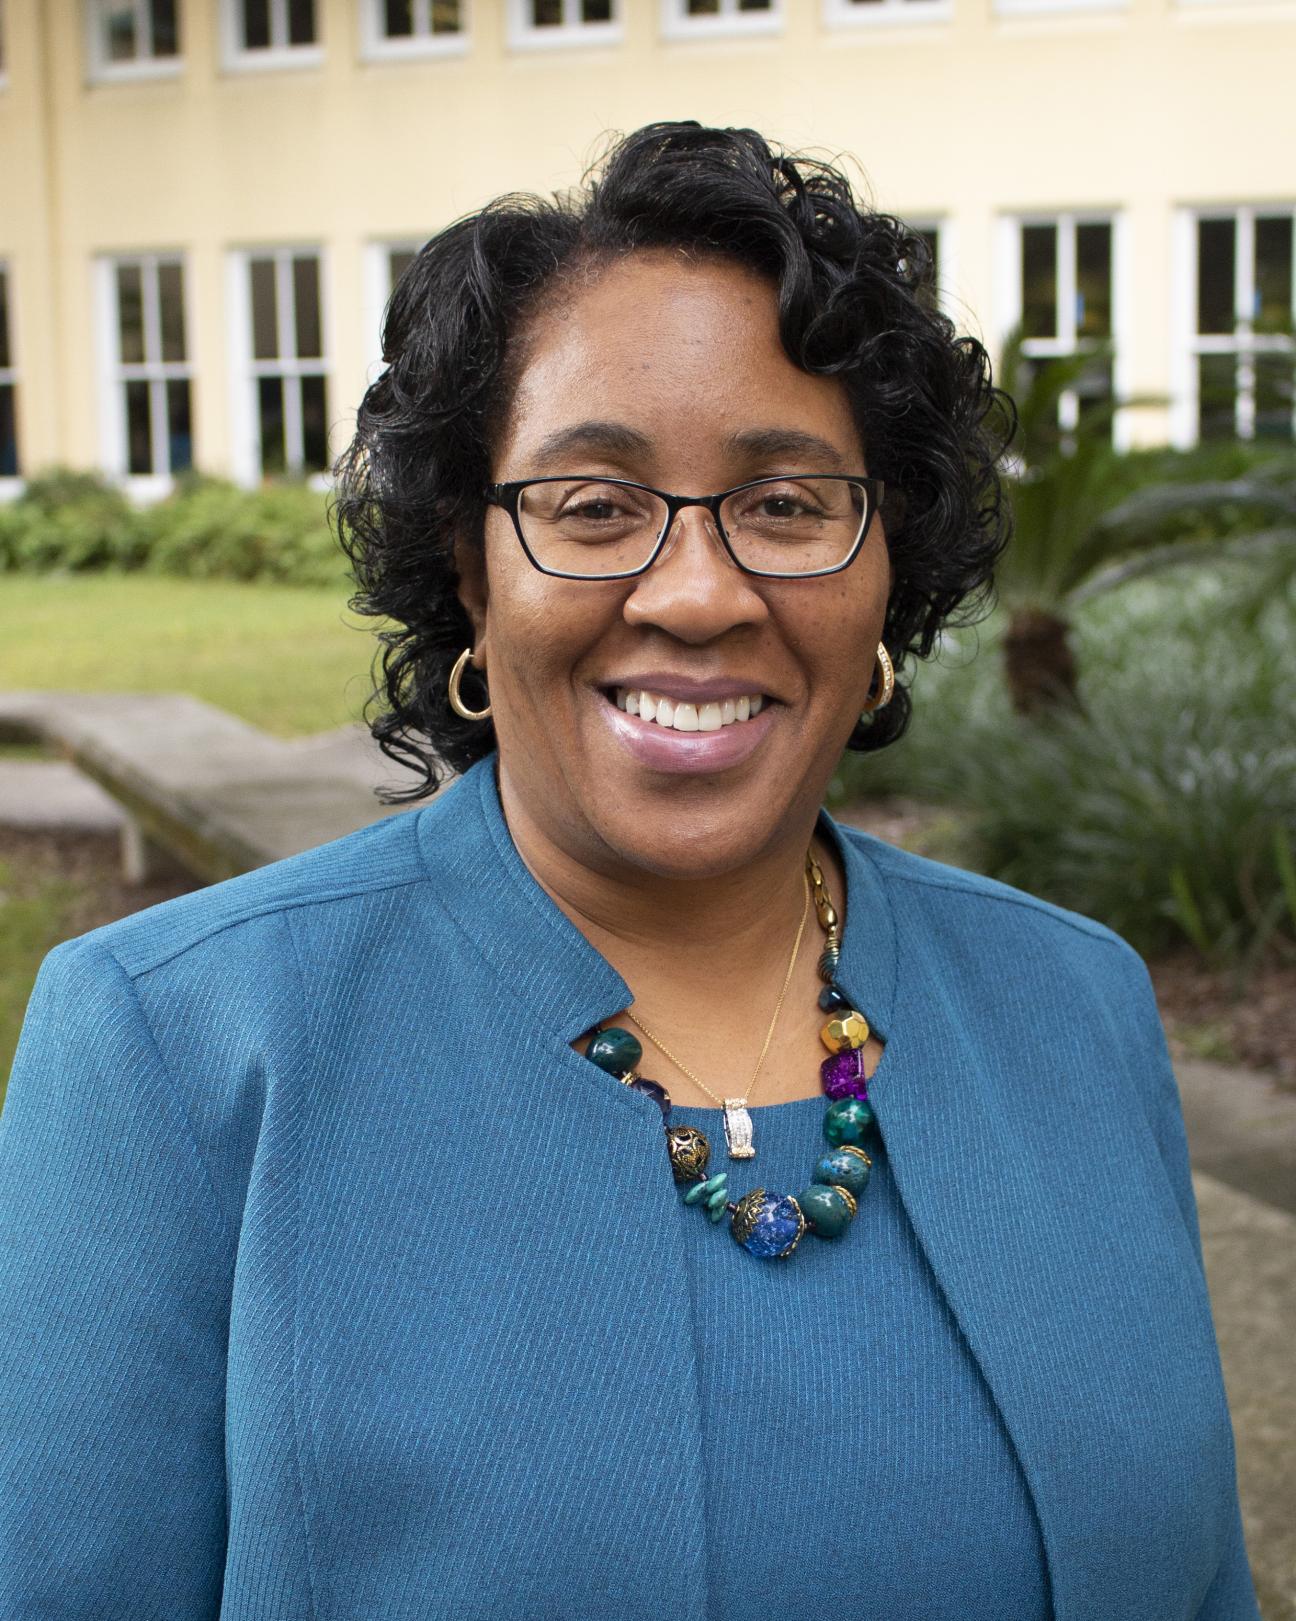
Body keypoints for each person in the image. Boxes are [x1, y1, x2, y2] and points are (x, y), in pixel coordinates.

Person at [0, 123, 1259, 1620]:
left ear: (888, 575)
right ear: (469, 567)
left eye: (788, 503)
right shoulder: (173, 1049)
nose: (697, 590)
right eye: (592, 505)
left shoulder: (1075, 1005)